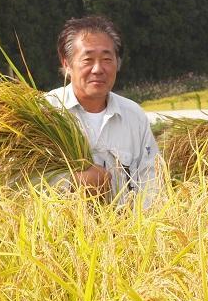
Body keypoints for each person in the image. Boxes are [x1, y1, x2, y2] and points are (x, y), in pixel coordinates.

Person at [45, 15, 159, 207]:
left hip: (127, 233)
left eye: (107, 59)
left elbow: (152, 181)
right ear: (66, 64)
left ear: (118, 63)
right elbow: (20, 181)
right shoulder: (46, 112)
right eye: (87, 59)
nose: (98, 69)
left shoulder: (134, 116)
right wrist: (74, 183)